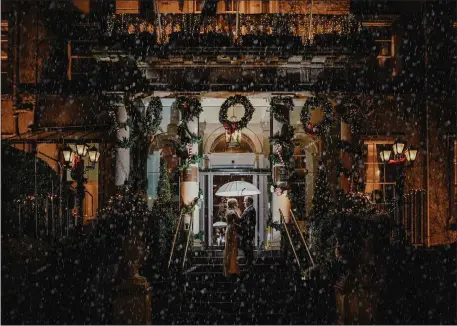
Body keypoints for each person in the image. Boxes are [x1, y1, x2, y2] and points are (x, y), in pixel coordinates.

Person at [223, 198, 240, 278]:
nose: (237, 205)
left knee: (229, 249)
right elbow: (238, 220)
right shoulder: (232, 212)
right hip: (232, 230)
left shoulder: (228, 211)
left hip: (229, 229)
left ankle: (230, 268)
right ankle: (232, 268)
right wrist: (239, 213)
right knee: (232, 249)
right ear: (233, 204)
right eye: (236, 203)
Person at [239, 196, 256, 271]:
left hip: (247, 232)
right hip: (247, 231)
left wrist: (240, 223)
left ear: (249, 202)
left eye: (245, 201)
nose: (244, 203)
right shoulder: (248, 209)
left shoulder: (250, 209)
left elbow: (247, 221)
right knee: (246, 246)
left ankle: (250, 262)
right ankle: (249, 262)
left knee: (246, 246)